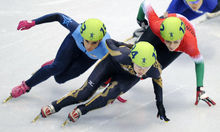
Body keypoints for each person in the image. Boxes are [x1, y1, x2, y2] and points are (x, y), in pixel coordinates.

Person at [37, 39, 170, 124]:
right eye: (139, 67)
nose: (142, 71)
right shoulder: (121, 55)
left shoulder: (154, 70)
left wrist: (160, 104)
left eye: (145, 68)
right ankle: (56, 106)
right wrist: (127, 45)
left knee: (110, 95)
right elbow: (109, 42)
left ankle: (82, 110)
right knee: (84, 93)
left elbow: (158, 81)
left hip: (127, 77)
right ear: (133, 59)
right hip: (111, 64)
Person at [7, 13, 113, 101]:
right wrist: (33, 22)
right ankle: (26, 86)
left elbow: (116, 67)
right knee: (56, 67)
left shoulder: (107, 49)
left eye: (94, 43)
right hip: (74, 44)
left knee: (60, 79)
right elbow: (58, 16)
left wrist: (111, 86)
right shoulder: (76, 30)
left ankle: (58, 62)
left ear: (100, 40)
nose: (89, 46)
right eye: (87, 41)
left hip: (88, 58)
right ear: (82, 34)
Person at [136, 1, 216, 106]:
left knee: (149, 70)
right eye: (168, 41)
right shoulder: (156, 26)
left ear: (181, 38)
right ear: (162, 35)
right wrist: (140, 19)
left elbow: (199, 62)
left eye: (175, 42)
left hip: (182, 38)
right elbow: (145, 4)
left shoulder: (189, 44)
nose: (171, 46)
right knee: (136, 56)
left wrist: (199, 89)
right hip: (163, 27)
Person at [134, 0, 220, 40]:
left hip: (207, 8)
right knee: (168, 18)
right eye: (191, 1)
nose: (194, 4)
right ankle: (152, 30)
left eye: (196, 1)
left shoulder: (212, 5)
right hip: (182, 3)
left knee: (180, 22)